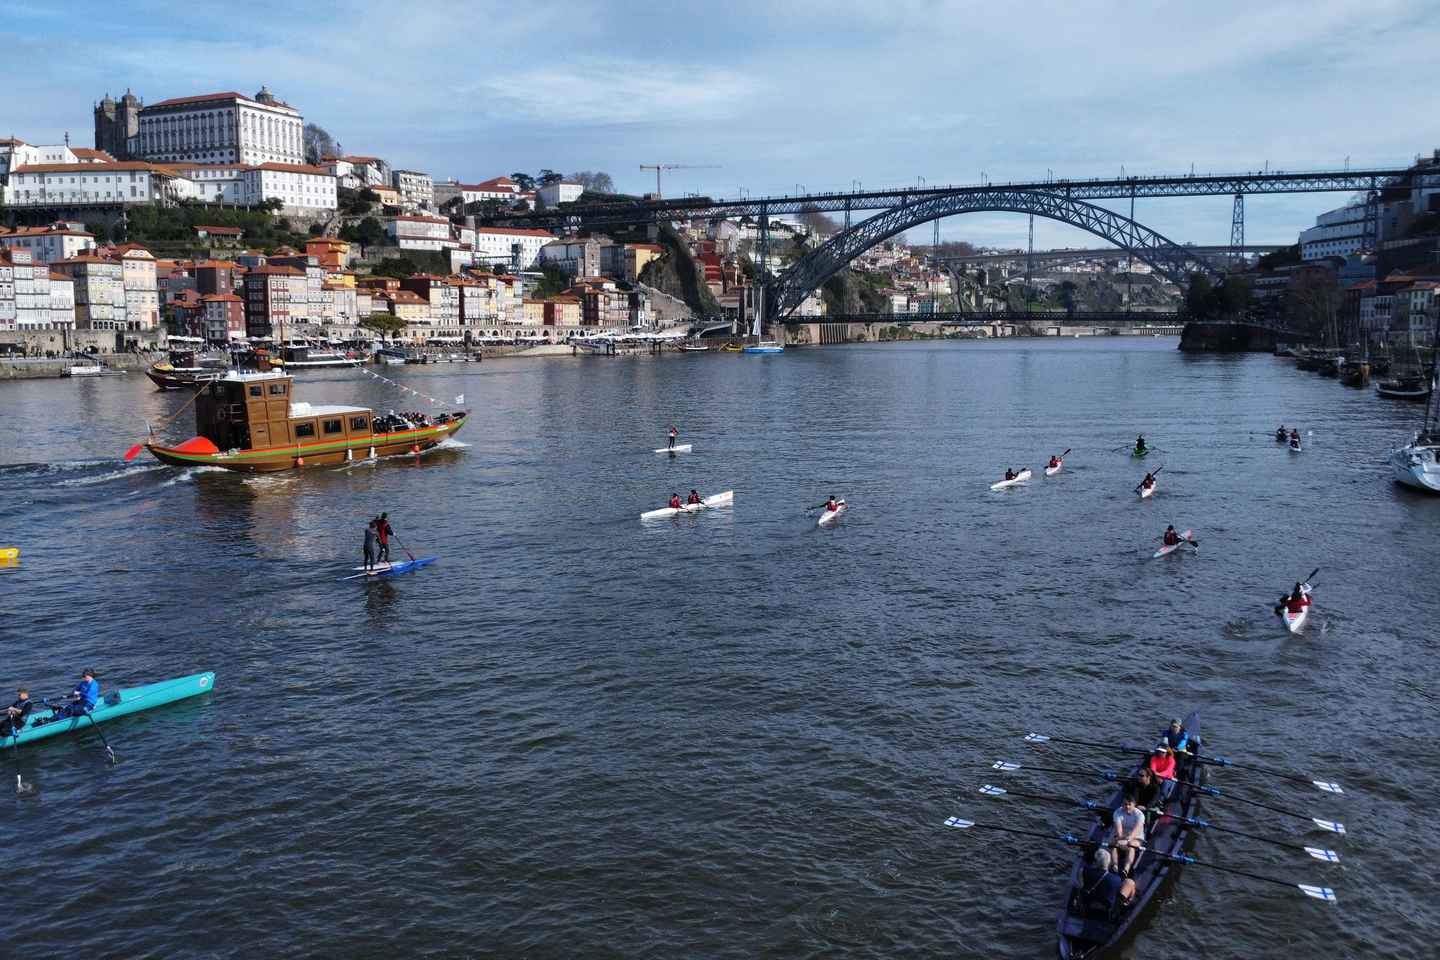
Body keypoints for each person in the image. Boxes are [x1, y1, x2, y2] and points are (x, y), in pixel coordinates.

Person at [1081, 847, 1135, 915]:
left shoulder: (1085, 872)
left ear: (1095, 861)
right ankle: (1126, 904)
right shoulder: (1116, 879)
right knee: (1130, 882)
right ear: (1109, 863)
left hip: (1087, 907)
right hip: (1105, 912)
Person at [1111, 792, 1147, 878]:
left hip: (1136, 837)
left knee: (1131, 846)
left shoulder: (1140, 815)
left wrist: (1127, 840)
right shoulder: (1117, 812)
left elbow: (1137, 830)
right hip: (1122, 836)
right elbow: (1119, 830)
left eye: (1129, 804)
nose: (1127, 806)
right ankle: (1115, 866)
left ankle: (1126, 869)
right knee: (1113, 845)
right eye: (1125, 804)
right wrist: (1120, 838)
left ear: (1134, 804)